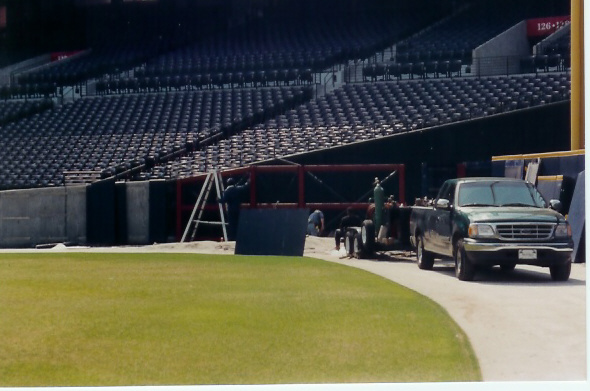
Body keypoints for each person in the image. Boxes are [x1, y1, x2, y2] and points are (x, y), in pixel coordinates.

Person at [219, 175, 250, 241]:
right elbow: (244, 187)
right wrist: (248, 181)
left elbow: (224, 200)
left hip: (231, 210)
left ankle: (232, 238)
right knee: (238, 223)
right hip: (238, 209)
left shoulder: (227, 191)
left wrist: (218, 199)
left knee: (232, 224)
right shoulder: (237, 189)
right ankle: (239, 237)